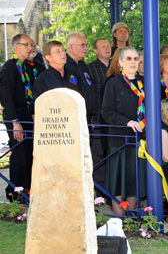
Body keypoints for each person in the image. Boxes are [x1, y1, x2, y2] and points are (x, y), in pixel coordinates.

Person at [101, 47, 146, 216]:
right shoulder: (113, 83)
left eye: (136, 59)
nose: (133, 62)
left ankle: (132, 219)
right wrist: (128, 122)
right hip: (119, 140)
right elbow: (106, 112)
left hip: (140, 140)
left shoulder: (146, 82)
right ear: (120, 63)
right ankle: (119, 220)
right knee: (118, 182)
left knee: (134, 181)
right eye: (129, 59)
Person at [0, 34, 44, 200]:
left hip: (30, 115)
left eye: (32, 45)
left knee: (30, 154)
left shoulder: (31, 66)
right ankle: (16, 194)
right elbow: (6, 97)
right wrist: (15, 122)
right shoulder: (10, 67)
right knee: (19, 155)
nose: (30, 48)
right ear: (16, 47)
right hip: (16, 116)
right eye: (26, 45)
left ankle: (30, 191)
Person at [87, 38, 111, 190]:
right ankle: (100, 191)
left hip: (114, 121)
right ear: (95, 51)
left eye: (108, 45)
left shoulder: (117, 67)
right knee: (99, 156)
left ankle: (113, 188)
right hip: (97, 119)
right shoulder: (90, 69)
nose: (107, 48)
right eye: (103, 46)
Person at [65, 32, 96, 117]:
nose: (86, 48)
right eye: (82, 45)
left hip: (87, 115)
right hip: (74, 116)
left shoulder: (83, 65)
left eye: (86, 45)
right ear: (71, 47)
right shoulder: (64, 66)